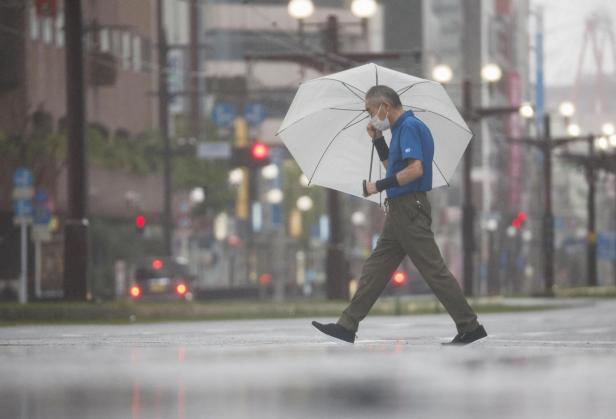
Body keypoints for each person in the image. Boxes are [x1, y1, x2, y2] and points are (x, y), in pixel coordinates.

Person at [312, 85, 487, 345]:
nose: (371, 117)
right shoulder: (399, 130)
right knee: (376, 269)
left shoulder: (409, 127)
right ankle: (347, 325)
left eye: (370, 111)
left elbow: (415, 170)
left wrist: (377, 187)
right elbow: (393, 167)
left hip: (409, 207)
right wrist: (377, 140)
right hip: (401, 209)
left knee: (433, 270)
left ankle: (470, 326)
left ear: (384, 106)